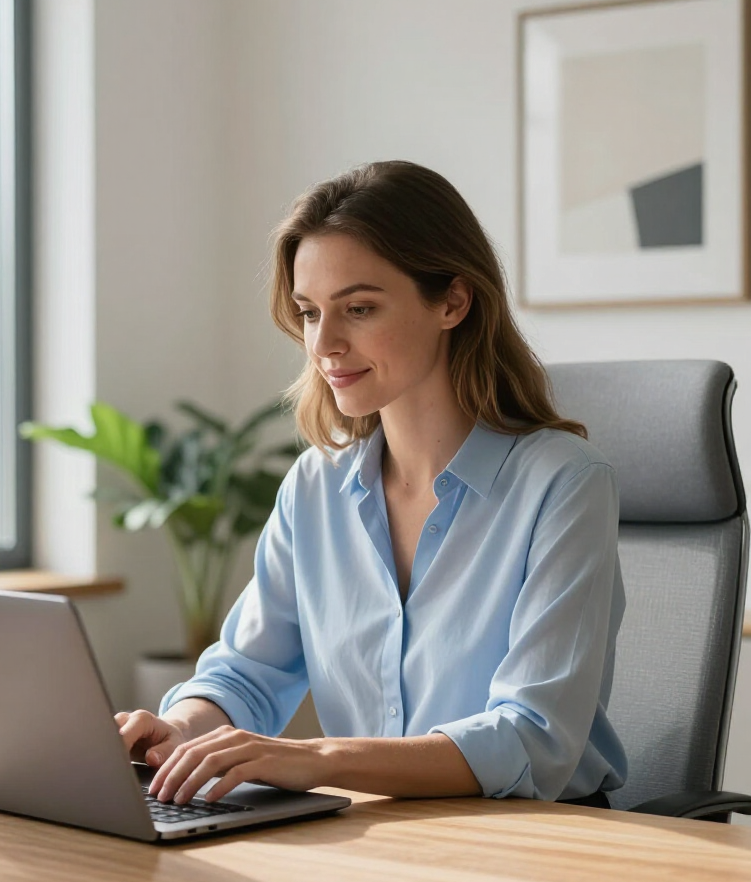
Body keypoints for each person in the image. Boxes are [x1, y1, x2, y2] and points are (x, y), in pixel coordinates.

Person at [117, 160, 627, 809]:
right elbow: (248, 672)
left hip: (536, 847)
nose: (324, 343)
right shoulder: (315, 488)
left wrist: (313, 759)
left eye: (358, 308)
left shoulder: (564, 484)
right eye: (308, 313)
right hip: (378, 844)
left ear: (453, 301)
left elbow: (532, 740)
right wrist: (180, 730)